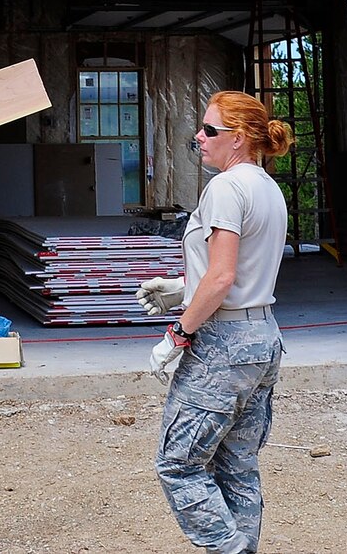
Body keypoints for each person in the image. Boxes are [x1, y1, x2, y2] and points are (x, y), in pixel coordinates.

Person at [136, 90, 292, 554]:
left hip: (224, 346)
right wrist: (184, 288)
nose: (199, 137)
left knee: (178, 464)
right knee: (237, 465)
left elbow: (223, 276)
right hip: (262, 338)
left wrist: (179, 331)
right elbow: (240, 272)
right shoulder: (267, 186)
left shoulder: (225, 187)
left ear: (239, 138)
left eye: (209, 130)